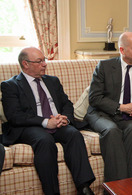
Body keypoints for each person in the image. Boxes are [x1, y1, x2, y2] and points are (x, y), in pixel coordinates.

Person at [1, 47, 95, 195]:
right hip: (31, 126)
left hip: (57, 122)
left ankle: (84, 187)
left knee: (74, 134)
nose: (45, 64)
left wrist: (65, 118)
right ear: (26, 64)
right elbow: (15, 116)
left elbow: (66, 104)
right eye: (40, 61)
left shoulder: (52, 81)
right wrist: (45, 122)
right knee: (44, 140)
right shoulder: (11, 85)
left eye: (44, 60)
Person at [85, 32, 132, 182]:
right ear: (122, 50)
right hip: (101, 113)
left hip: (128, 117)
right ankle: (123, 187)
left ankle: (120, 187)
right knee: (112, 130)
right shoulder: (105, 66)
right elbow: (94, 98)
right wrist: (122, 107)